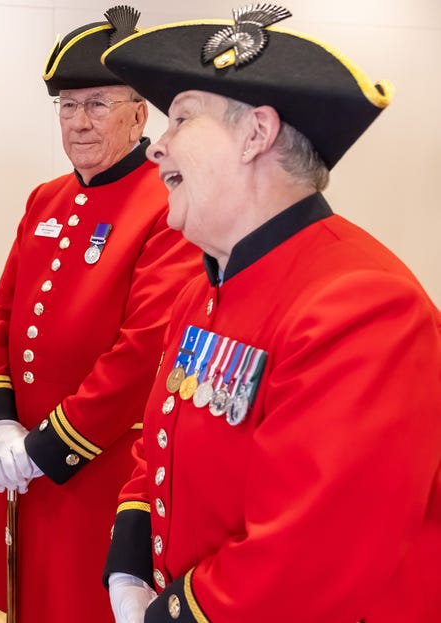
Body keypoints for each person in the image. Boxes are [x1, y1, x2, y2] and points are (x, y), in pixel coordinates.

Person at [99, 5, 441, 622]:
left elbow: (306, 560)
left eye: (180, 119)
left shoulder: (363, 303)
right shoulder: (204, 291)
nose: (158, 146)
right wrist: (129, 563)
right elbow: (159, 447)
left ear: (257, 133)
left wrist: (166, 615)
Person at [0, 7, 203, 622]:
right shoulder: (46, 198)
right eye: (67, 105)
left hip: (94, 467)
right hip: (21, 459)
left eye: (98, 103)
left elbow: (143, 351)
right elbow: (0, 312)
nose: (79, 122)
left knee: (79, 606)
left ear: (139, 112)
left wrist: (48, 447)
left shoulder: (164, 202)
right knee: (29, 604)